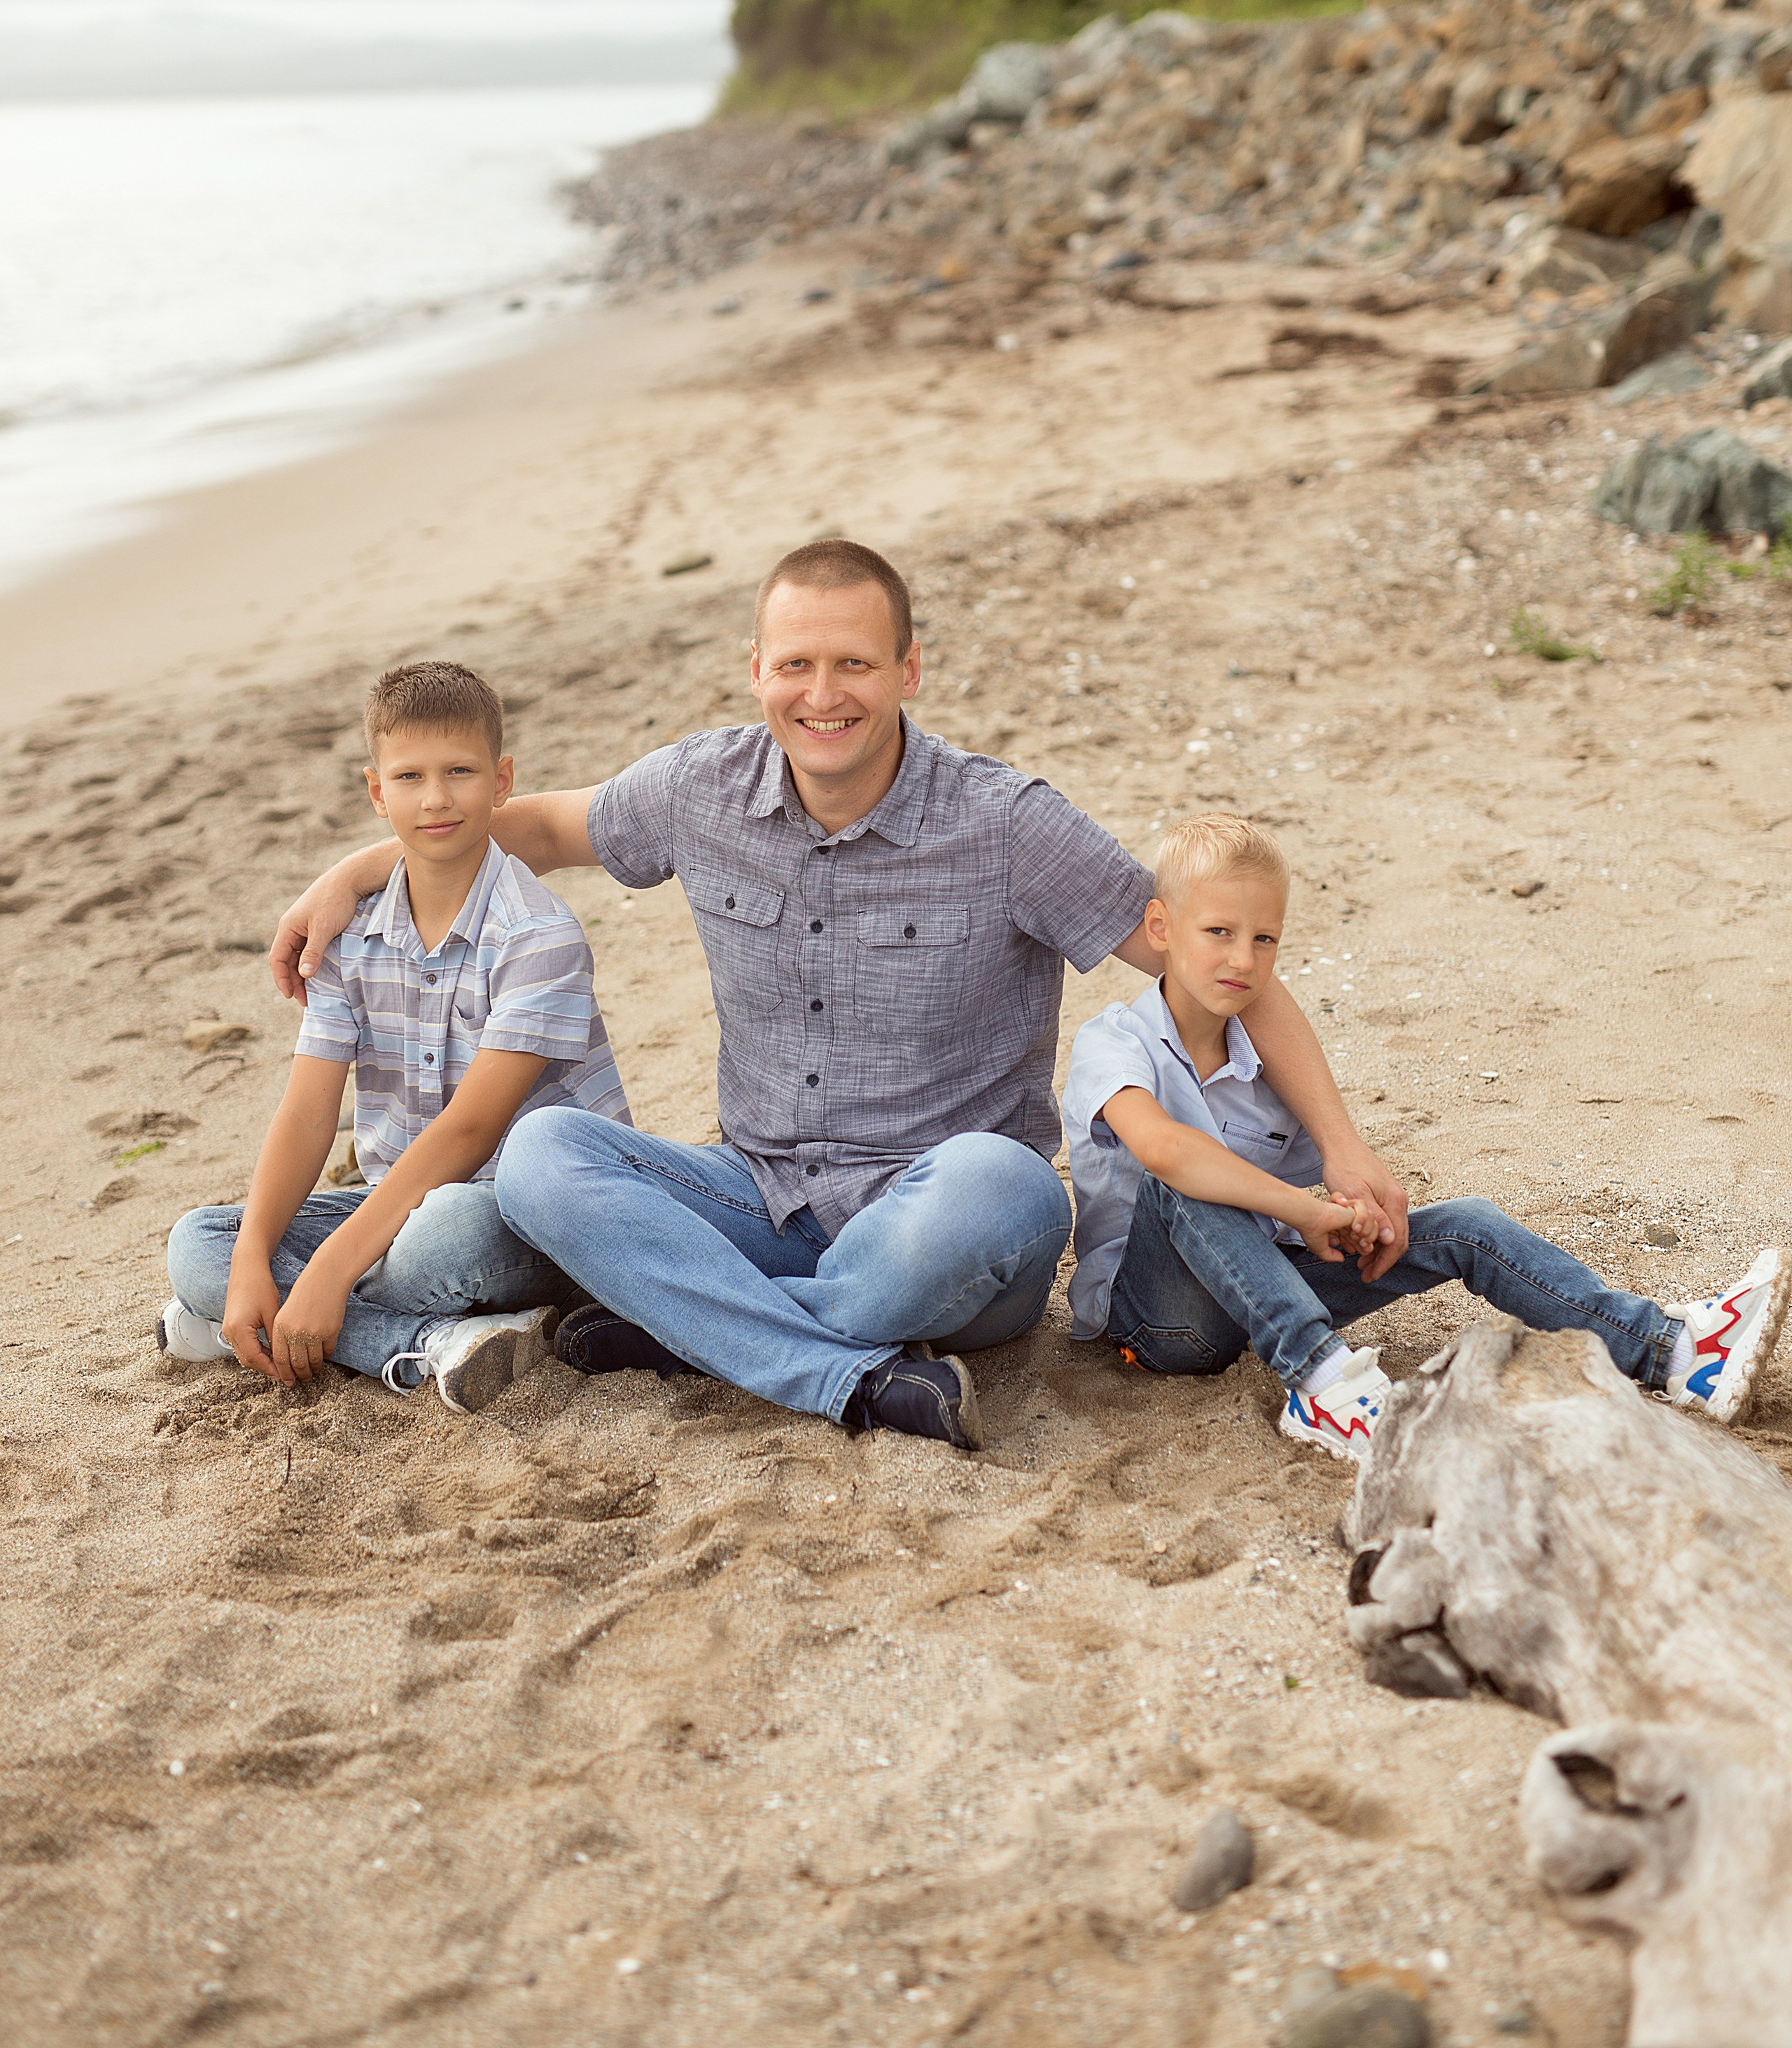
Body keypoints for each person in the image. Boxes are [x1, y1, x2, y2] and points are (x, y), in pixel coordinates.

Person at [267, 540, 1410, 1450]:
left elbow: (1216, 969)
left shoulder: (1005, 822)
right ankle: (841, 1373)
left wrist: (1343, 1147)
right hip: (757, 1208)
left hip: (943, 1241)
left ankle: (690, 1326)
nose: (825, 694)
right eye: (797, 665)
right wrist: (351, 871)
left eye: (856, 664)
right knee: (543, 1157)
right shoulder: (698, 787)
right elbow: (541, 826)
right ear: (758, 670)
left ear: (908, 671)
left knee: (1008, 1183)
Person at [1063, 811, 1788, 1459]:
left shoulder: (1266, 1055)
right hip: (1158, 1323)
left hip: (1262, 1283)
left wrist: (1348, 1214)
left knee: (1465, 1227)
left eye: (1264, 939)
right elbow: (1166, 1151)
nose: (1243, 960)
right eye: (1217, 933)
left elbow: (1327, 1176)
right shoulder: (1115, 1042)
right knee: (1184, 1176)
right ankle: (1321, 1382)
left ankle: (1673, 1354)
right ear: (1160, 930)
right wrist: (1307, 1211)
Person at [161, 661, 629, 1410]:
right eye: (409, 777)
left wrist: (330, 1270)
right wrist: (252, 1256)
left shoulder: (538, 934)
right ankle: (426, 1345)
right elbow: (309, 1113)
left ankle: (223, 1328)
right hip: (390, 1208)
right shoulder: (348, 939)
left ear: (501, 781)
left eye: (460, 772)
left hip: (522, 1217)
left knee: (447, 1235)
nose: (436, 798)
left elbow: (470, 1133)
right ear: (377, 793)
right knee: (202, 1242)